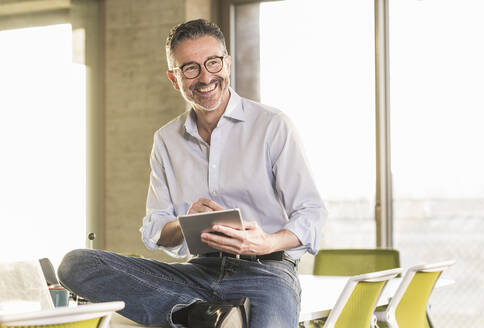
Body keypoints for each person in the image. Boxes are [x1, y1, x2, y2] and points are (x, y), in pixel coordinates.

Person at [57, 19, 327, 328]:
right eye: (190, 68)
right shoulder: (166, 140)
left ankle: (198, 314)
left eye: (212, 63)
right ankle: (197, 314)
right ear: (175, 79)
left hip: (266, 274)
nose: (205, 77)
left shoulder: (272, 125)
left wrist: (263, 243)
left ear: (226, 64)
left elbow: (312, 214)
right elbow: (155, 230)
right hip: (197, 274)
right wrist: (186, 224)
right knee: (76, 264)